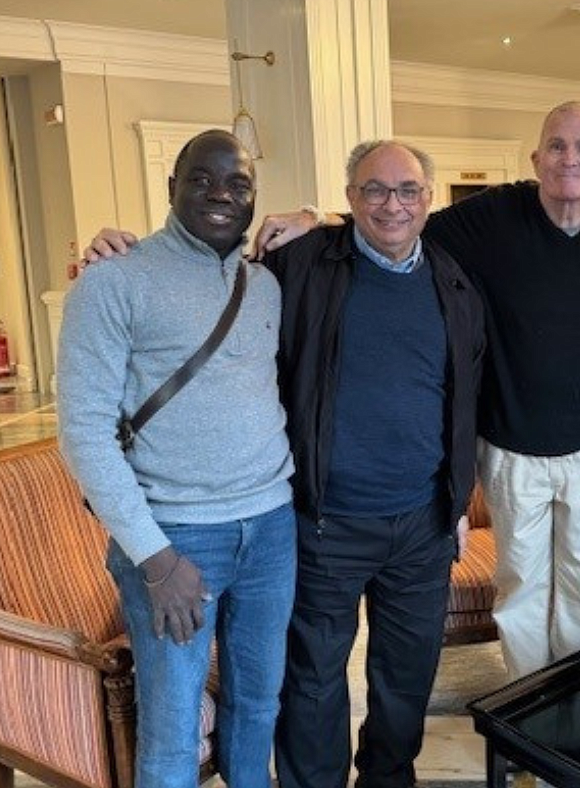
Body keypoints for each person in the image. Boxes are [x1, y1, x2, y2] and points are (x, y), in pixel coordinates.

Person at [83, 140, 484, 788]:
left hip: (421, 525)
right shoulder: (299, 266)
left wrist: (458, 498)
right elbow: (197, 265)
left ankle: (389, 779)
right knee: (313, 684)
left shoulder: (456, 281)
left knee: (405, 679)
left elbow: (466, 396)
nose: (392, 204)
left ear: (428, 198)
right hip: (323, 522)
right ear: (349, 199)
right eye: (373, 190)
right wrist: (111, 252)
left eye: (407, 190)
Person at [252, 101, 580, 681]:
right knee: (522, 590)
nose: (568, 159)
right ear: (536, 158)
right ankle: (534, 715)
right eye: (556, 145)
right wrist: (313, 214)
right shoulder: (493, 215)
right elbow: (399, 220)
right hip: (507, 443)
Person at [58, 130, 297, 788]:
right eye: (201, 179)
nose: (220, 193)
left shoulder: (266, 287)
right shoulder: (112, 283)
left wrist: (313, 216)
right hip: (178, 539)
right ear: (171, 189)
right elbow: (83, 432)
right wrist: (156, 559)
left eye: (238, 184)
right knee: (171, 729)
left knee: (257, 706)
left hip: (274, 528)